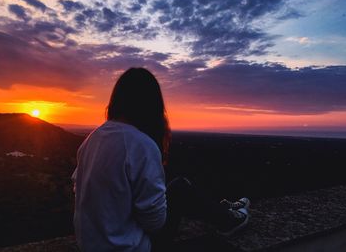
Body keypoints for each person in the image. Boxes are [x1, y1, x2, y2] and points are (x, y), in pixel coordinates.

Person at [72, 68, 250, 252]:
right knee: (180, 189)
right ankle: (229, 220)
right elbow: (155, 223)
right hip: (127, 247)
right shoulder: (141, 145)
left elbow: (81, 189)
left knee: (174, 191)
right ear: (150, 106)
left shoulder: (92, 139)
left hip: (91, 245)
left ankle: (222, 211)